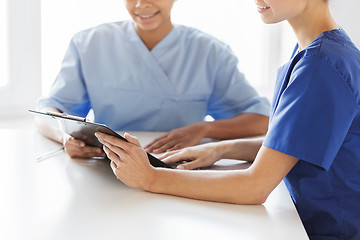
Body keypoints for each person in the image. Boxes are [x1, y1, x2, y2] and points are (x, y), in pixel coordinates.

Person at [95, 0, 360, 239]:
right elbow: (295, 143)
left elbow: (255, 188)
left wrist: (150, 177)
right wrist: (222, 148)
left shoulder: (322, 66)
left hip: (331, 230)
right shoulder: (318, 50)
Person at [35, 0, 270, 158]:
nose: (141, 5)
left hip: (180, 168)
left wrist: (203, 128)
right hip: (108, 164)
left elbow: (263, 120)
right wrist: (63, 136)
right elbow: (47, 112)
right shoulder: (88, 44)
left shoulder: (210, 52)